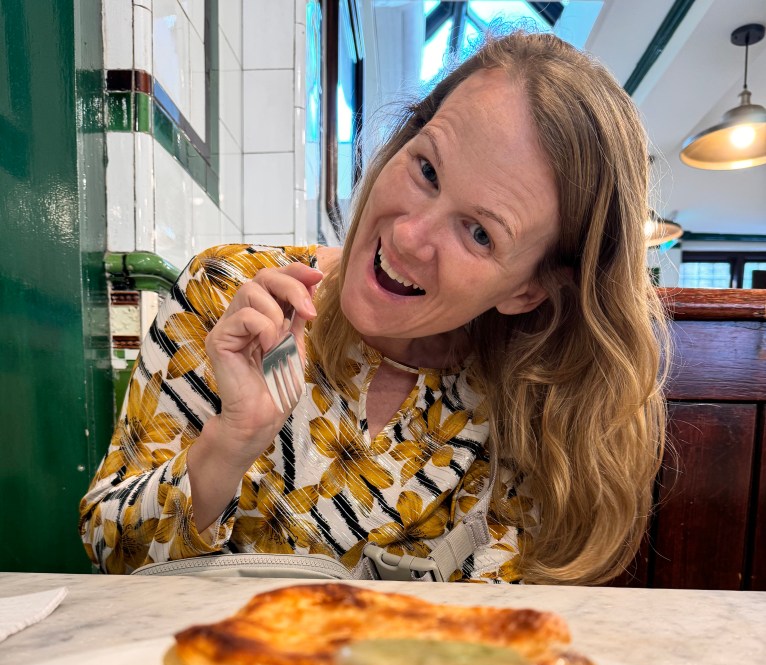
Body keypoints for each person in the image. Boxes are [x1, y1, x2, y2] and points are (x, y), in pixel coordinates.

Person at [80, 30, 668, 584]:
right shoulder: (229, 294)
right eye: (427, 169)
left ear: (527, 291)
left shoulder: (540, 413)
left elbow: (502, 631)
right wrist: (230, 443)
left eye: (479, 233)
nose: (409, 237)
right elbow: (108, 552)